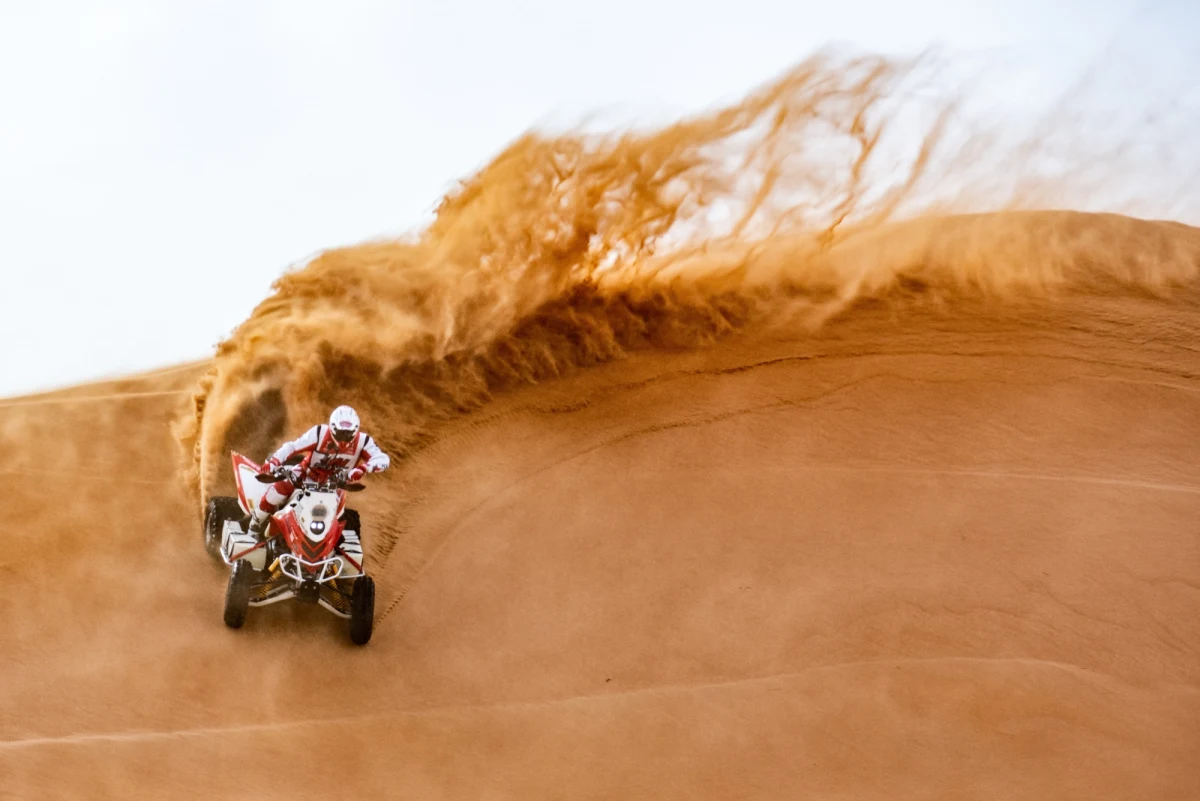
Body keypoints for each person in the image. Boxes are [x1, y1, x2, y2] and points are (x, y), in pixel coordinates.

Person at [248, 405, 390, 537]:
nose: (343, 440)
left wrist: (363, 468)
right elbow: (292, 447)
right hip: (305, 475)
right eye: (340, 434)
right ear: (332, 428)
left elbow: (382, 459)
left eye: (348, 435)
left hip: (335, 486)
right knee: (277, 491)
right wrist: (274, 462)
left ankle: (332, 544)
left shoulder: (363, 441)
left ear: (356, 431)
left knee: (336, 514)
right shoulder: (319, 433)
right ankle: (254, 526)